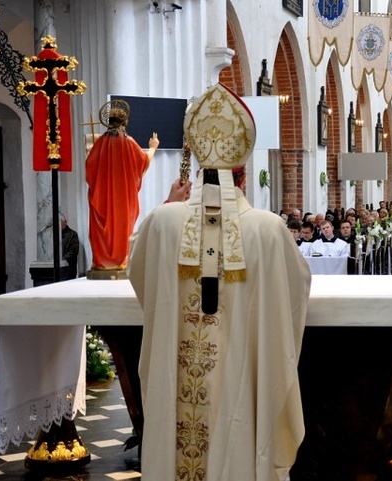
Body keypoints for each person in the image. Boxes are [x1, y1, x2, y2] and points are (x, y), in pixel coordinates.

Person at [129, 83, 310, 481]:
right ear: (242, 174)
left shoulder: (161, 223)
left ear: (197, 168)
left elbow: (140, 278)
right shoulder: (269, 230)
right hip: (241, 383)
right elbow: (294, 294)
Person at [86, 100, 157, 272]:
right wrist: (153, 147)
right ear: (125, 122)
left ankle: (101, 262)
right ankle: (120, 262)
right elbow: (143, 163)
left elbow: (89, 172)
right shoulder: (128, 142)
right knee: (121, 228)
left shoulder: (99, 144)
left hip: (101, 199)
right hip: (124, 199)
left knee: (102, 230)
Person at [60, 214, 79, 279]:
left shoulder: (72, 234)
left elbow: (74, 250)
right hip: (58, 269)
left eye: (61, 223)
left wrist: (62, 259)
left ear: (65, 222)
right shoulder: (54, 235)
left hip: (69, 269)